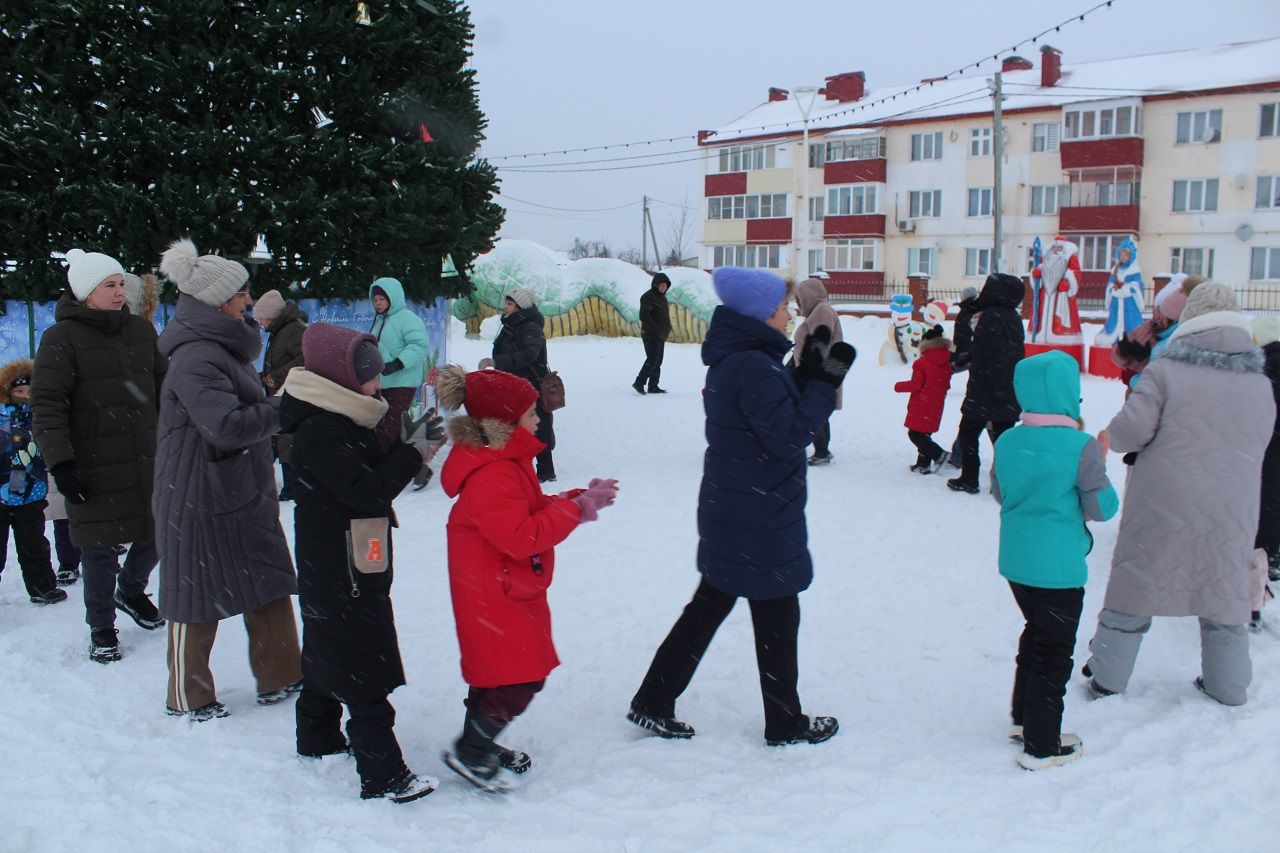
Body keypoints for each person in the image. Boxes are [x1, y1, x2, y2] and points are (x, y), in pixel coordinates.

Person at [627, 267, 854, 747]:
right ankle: (785, 722)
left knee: (711, 607)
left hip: (740, 505)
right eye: (781, 307)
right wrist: (821, 383)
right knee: (775, 614)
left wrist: (801, 372)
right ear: (759, 313)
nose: (789, 312)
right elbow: (789, 436)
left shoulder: (745, 357)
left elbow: (766, 413)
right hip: (759, 512)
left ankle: (654, 699)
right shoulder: (752, 364)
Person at [1083, 283, 1274, 706]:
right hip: (1231, 506)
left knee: (1135, 586)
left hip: (1163, 500)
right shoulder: (1260, 384)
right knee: (1225, 595)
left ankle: (1107, 680)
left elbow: (1128, 433)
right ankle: (1228, 686)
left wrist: (1110, 435)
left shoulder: (1166, 372)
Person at [281, 322, 443, 804]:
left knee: (327, 644)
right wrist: (412, 452)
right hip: (341, 564)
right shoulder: (321, 428)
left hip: (336, 557)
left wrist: (409, 441)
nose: (377, 384)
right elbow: (366, 490)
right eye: (369, 376)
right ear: (340, 377)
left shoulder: (337, 413)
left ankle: (318, 735)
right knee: (360, 659)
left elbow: (365, 469)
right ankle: (383, 772)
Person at [436, 364, 618, 792]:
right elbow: (522, 536)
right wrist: (577, 510)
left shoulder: (504, 459)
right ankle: (473, 748)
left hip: (500, 587)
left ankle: (478, 739)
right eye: (531, 413)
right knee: (518, 677)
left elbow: (529, 508)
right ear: (505, 422)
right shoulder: (493, 472)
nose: (539, 419)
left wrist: (577, 497)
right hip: (495, 591)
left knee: (497, 674)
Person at [154, 239, 302, 721]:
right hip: (196, 495)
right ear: (220, 300)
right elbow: (226, 425)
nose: (248, 300)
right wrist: (282, 408)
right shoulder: (197, 356)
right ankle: (188, 696)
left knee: (267, 581)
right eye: (242, 292)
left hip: (238, 486)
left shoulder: (222, 346)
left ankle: (283, 674)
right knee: (194, 595)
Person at [32, 248, 168, 663]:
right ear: (85, 291)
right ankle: (102, 628)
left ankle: (130, 588)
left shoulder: (141, 332)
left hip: (147, 455)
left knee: (158, 530)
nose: (118, 292)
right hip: (93, 461)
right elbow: (48, 406)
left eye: (120, 285)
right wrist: (63, 463)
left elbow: (165, 390)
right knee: (99, 547)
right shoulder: (61, 339)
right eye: (108, 286)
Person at [991, 351, 1119, 771]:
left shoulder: (1008, 439)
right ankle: (1042, 744)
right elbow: (1102, 508)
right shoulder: (1079, 446)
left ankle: (1023, 719)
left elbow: (1000, 492)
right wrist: (1098, 460)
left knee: (1036, 635)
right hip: (1059, 568)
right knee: (1053, 651)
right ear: (1069, 396)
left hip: (1017, 562)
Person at [948, 273, 1025, 494]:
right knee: (1003, 439)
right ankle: (1007, 483)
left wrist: (971, 361)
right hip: (1008, 387)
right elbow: (1007, 352)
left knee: (968, 433)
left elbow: (991, 353)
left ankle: (969, 479)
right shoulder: (1013, 316)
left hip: (986, 388)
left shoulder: (990, 317)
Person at [1, 359, 66, 605]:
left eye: (29, 391)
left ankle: (41, 587)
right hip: (2, 491)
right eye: (19, 391)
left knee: (34, 544)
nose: (24, 396)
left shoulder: (41, 416)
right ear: (7, 392)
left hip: (31, 492)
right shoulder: (1, 419)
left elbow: (50, 447)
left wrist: (38, 455)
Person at [485, 288, 556, 482]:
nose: (505, 307)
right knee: (515, 425)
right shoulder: (510, 325)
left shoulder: (531, 327)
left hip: (531, 385)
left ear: (520, 307)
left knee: (538, 426)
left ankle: (545, 472)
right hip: (514, 383)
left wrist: (498, 362)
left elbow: (530, 355)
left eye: (509, 304)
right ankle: (516, 469)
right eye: (506, 303)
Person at [255, 289, 309, 501]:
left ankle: (292, 487)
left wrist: (273, 378)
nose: (261, 323)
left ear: (273, 316)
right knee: (282, 438)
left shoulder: (293, 330)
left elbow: (304, 360)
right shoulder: (281, 330)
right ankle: (288, 484)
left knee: (288, 440)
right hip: (283, 390)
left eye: (263, 318)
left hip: (292, 391)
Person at [367, 277, 430, 453]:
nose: (378, 304)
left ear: (392, 298)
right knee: (388, 425)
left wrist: (398, 363)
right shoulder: (379, 321)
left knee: (388, 427)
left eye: (382, 299)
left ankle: (379, 464)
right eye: (376, 300)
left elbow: (420, 345)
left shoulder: (408, 319)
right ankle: (409, 458)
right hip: (382, 382)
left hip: (402, 381)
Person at [789, 277, 844, 466]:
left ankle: (822, 450)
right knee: (815, 408)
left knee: (815, 409)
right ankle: (821, 449)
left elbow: (821, 341)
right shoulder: (817, 311)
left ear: (809, 295)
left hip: (818, 371)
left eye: (799, 298)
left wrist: (812, 368)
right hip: (812, 369)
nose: (798, 303)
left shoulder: (822, 311)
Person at [1250, 314, 1280, 627]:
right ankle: (1273, 559)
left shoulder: (1262, 370)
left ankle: (1262, 567)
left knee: (1262, 510)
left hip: (1266, 451)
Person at [893, 325, 952, 474]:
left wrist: (898, 386)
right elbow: (946, 385)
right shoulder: (946, 363)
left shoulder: (922, 363)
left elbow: (916, 385)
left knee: (915, 434)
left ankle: (939, 455)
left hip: (922, 403)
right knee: (925, 435)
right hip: (937, 404)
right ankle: (923, 465)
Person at [1028, 236, 1082, 346]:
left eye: (1059, 248)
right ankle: (1039, 332)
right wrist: (1036, 274)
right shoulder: (1045, 258)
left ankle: (1061, 332)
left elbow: (1075, 272)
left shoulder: (1070, 257)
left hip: (1061, 295)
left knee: (1062, 316)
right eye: (1055, 248)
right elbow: (1037, 269)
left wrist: (1068, 283)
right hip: (1044, 295)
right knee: (1040, 313)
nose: (1056, 250)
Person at [1095, 238, 1145, 348]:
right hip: (1116, 301)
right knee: (1115, 319)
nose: (1123, 257)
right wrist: (1113, 288)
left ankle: (1132, 338)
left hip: (1129, 303)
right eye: (1121, 254)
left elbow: (1138, 284)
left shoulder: (1134, 270)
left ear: (1131, 256)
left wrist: (1127, 288)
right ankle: (1115, 338)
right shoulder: (1115, 269)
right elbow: (1110, 283)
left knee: (1130, 320)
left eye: (1125, 255)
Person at [633, 272, 672, 395]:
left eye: (665, 285)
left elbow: (664, 317)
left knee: (658, 360)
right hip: (650, 334)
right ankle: (639, 382)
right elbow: (644, 316)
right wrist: (655, 329)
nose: (663, 287)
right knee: (652, 359)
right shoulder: (647, 297)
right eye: (661, 285)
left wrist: (666, 329)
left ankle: (653, 386)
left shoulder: (663, 299)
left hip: (660, 335)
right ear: (655, 285)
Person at [950, 286, 979, 373]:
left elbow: (963, 329)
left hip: (965, 347)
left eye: (962, 295)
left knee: (956, 368)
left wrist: (956, 343)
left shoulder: (967, 310)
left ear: (966, 297)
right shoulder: (974, 308)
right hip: (969, 346)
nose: (961, 297)